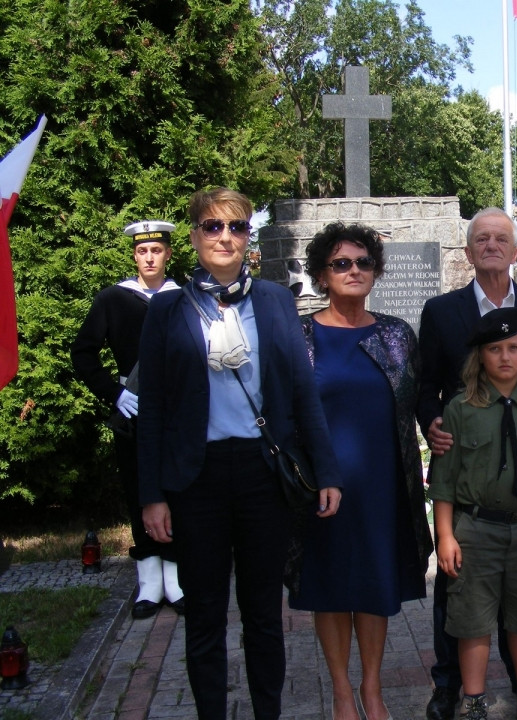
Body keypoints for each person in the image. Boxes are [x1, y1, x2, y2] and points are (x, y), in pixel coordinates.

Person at [137, 188, 343, 720]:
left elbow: (302, 391)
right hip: (196, 477)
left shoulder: (274, 300)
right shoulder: (167, 308)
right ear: (194, 236)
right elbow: (153, 406)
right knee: (204, 615)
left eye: (237, 227)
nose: (225, 237)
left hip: (262, 472)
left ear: (248, 236)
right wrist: (152, 494)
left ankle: (266, 713)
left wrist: (327, 471)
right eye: (212, 226)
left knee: (262, 616)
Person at [416, 207, 517, 720]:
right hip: (467, 463)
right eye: (480, 238)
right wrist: (434, 423)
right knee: (462, 597)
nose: (491, 245)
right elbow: (425, 384)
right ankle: (452, 685)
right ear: (468, 251)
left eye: (500, 237)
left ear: (514, 248)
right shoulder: (442, 311)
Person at [289, 221, 432, 720]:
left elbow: (419, 403)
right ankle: (342, 692)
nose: (354, 271)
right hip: (323, 486)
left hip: (382, 483)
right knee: (330, 587)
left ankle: (372, 688)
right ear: (323, 275)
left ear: (376, 271)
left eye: (363, 262)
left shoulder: (396, 333)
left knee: (373, 586)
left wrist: (438, 432)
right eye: (340, 263)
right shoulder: (299, 333)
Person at [71, 220, 184, 619]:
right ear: (134, 255)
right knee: (139, 489)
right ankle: (149, 581)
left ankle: (175, 577)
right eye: (142, 251)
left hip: (178, 409)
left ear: (168, 253)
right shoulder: (112, 299)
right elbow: (82, 354)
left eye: (156, 250)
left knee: (176, 488)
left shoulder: (184, 297)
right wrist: (116, 394)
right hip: (133, 408)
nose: (149, 257)